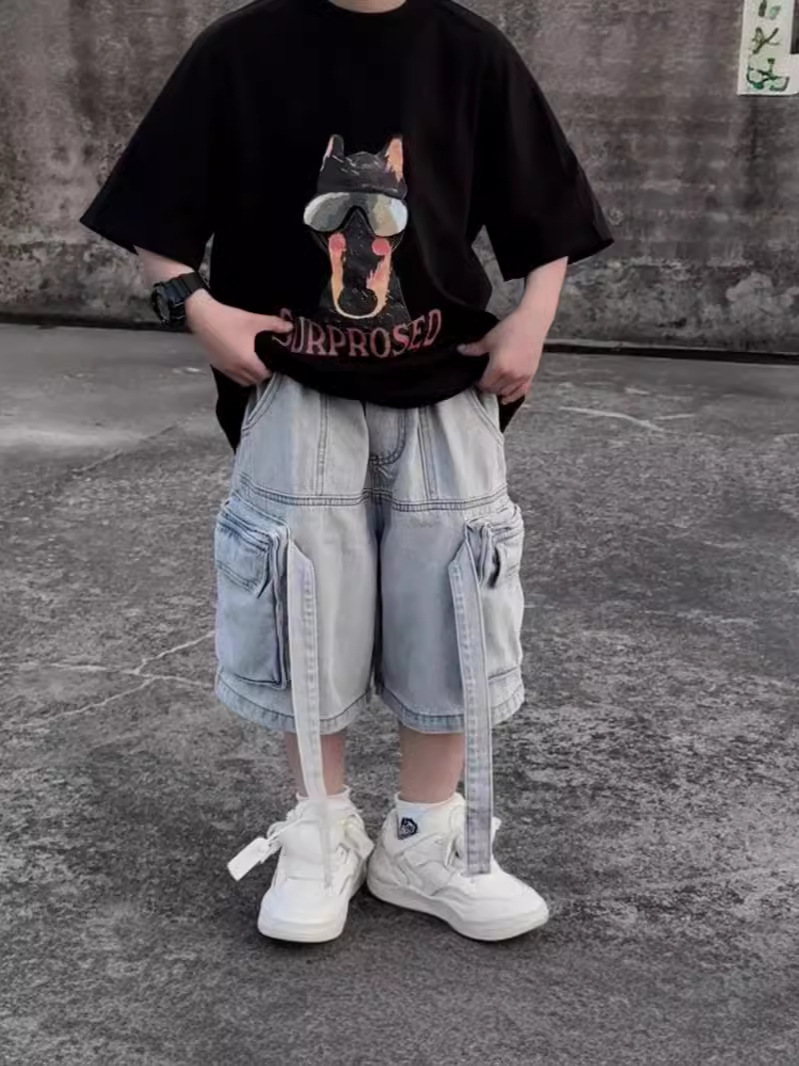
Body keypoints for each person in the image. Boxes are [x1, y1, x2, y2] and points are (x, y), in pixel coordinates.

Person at [81, 0, 612, 944]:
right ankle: (319, 830)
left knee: (453, 605)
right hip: (294, 389)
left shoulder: (468, 53)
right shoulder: (240, 50)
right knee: (302, 605)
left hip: (447, 386)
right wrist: (195, 308)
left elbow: (549, 212)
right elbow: (152, 209)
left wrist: (532, 320)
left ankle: (424, 838)